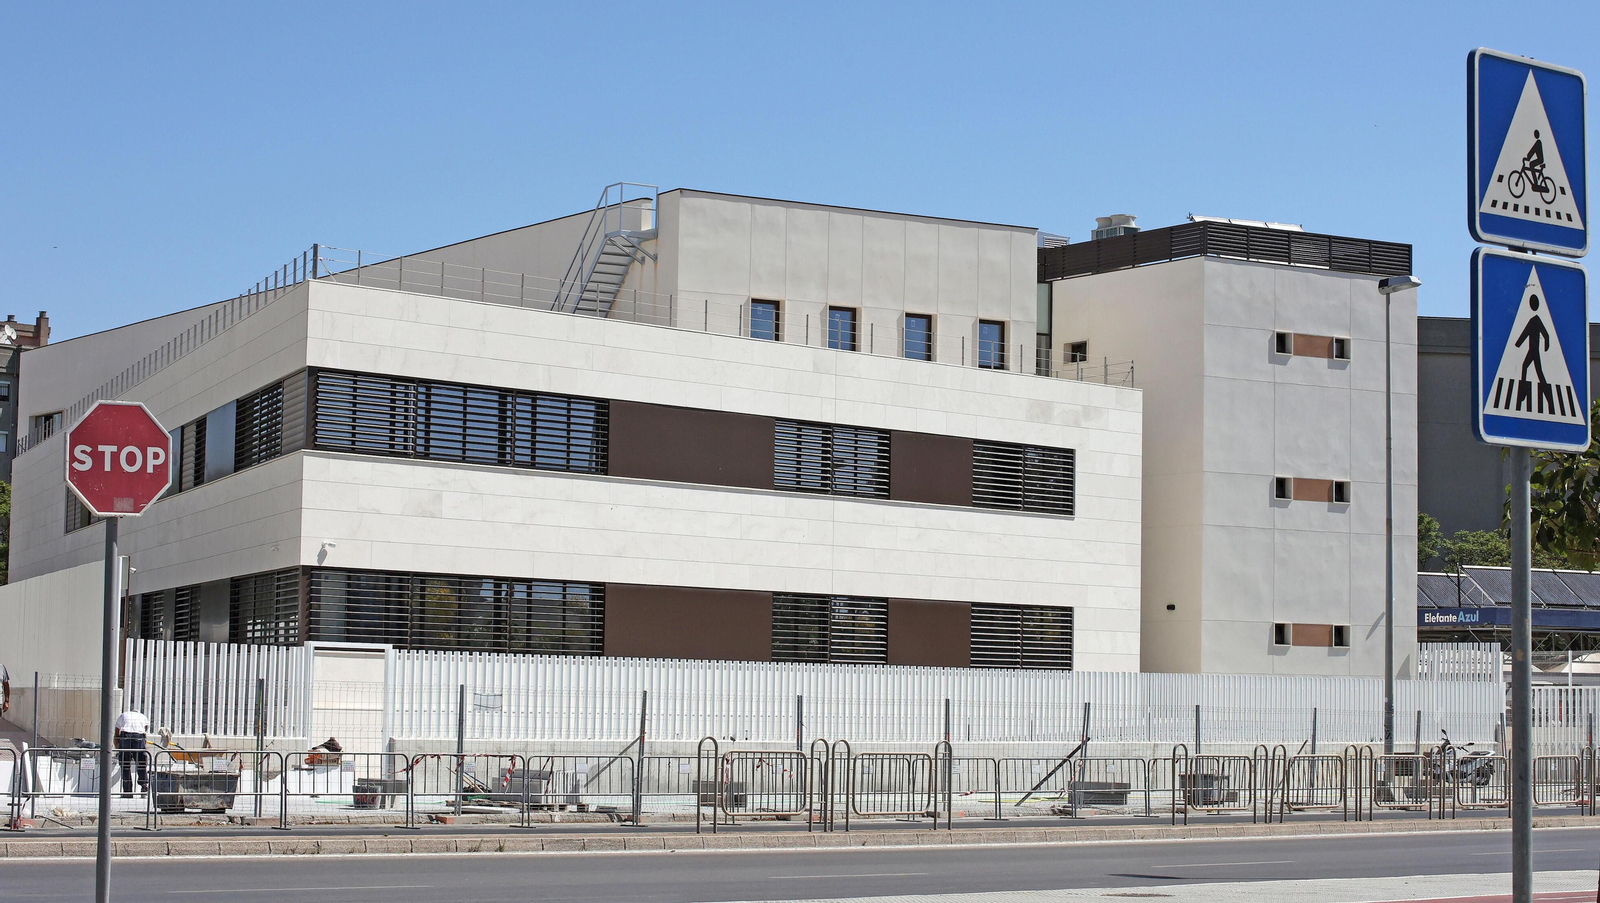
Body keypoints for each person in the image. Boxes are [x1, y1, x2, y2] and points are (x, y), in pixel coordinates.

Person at [113, 708, 151, 798]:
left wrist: (118, 748)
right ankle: (144, 787)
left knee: (125, 764)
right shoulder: (143, 716)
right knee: (141, 763)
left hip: (125, 736)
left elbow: (117, 733)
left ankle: (127, 791)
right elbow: (145, 730)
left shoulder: (123, 715)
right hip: (139, 736)